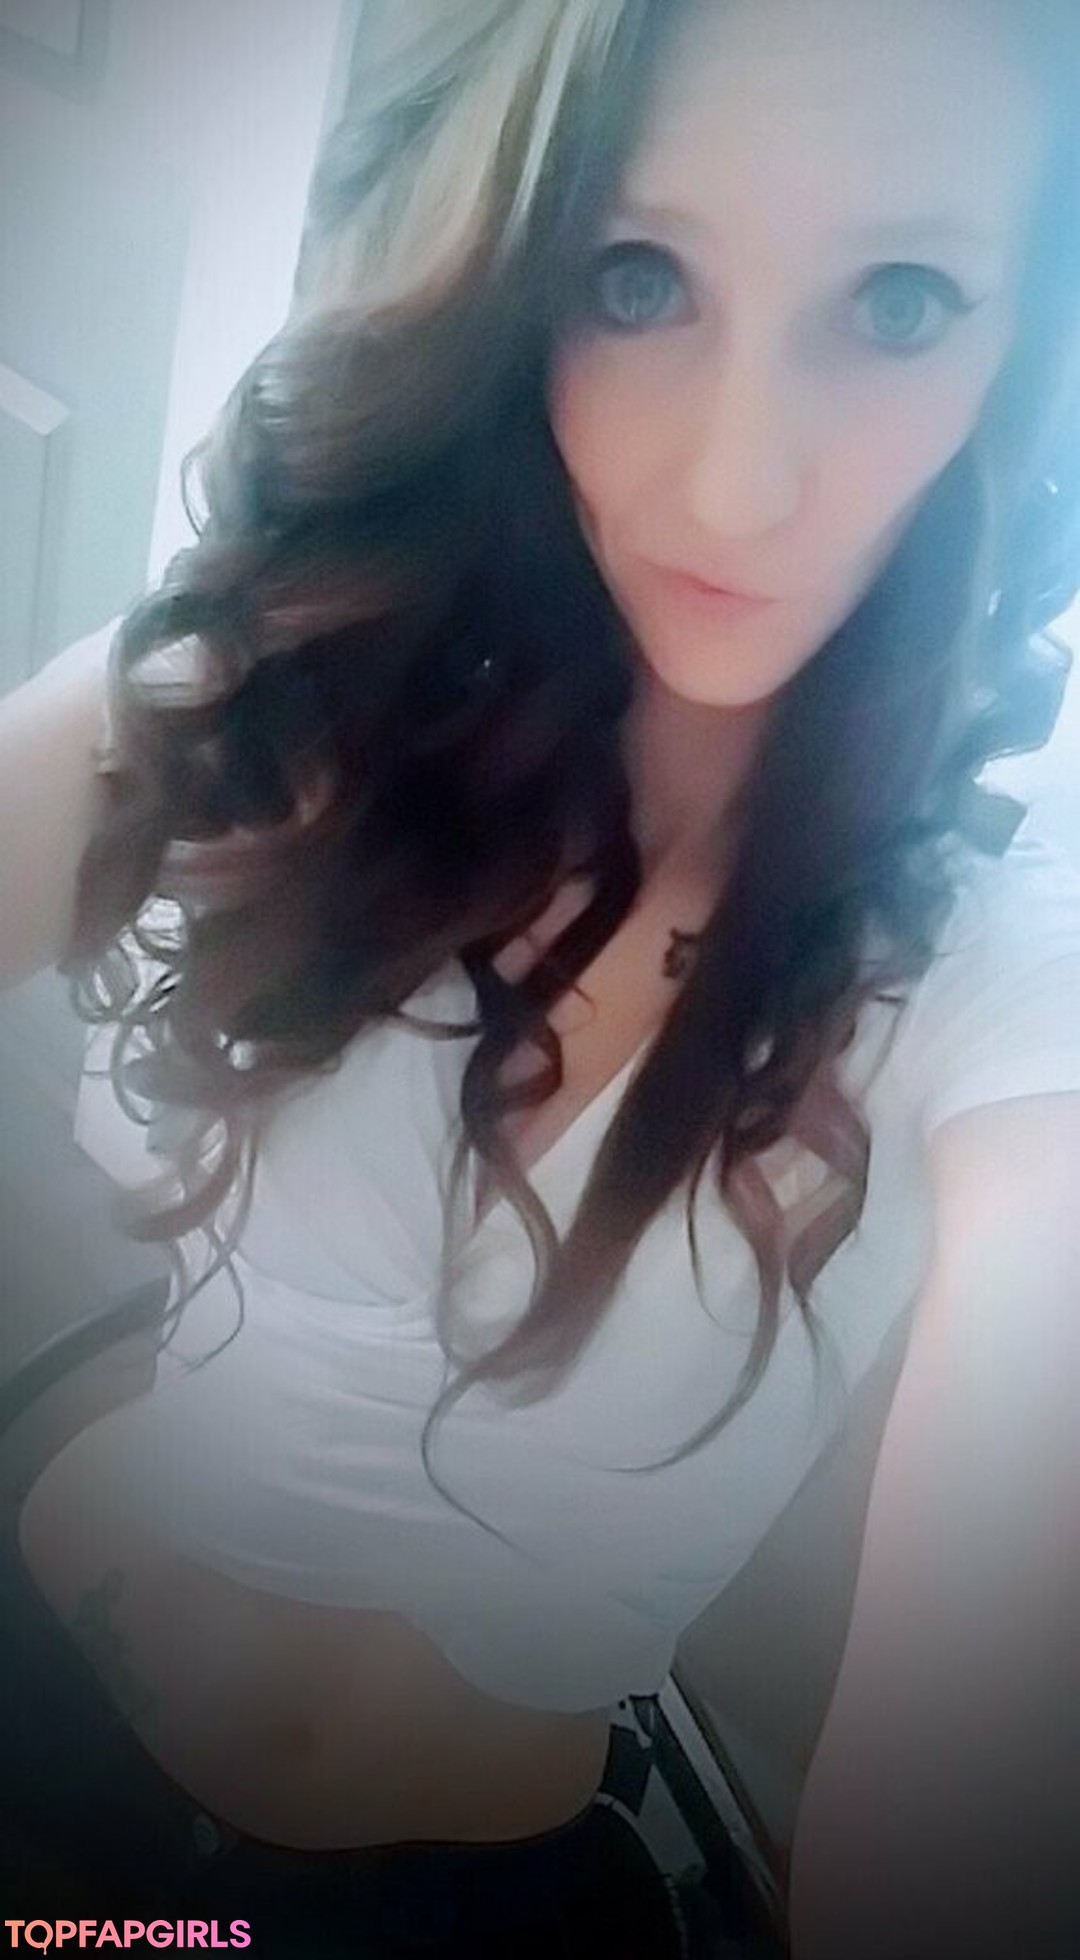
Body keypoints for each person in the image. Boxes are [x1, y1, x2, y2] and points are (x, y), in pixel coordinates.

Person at [3, 0, 1080, 1952]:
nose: (739, 484)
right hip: (42, 1708)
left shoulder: (1010, 975)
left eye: (903, 300)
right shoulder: (278, 685)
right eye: (639, 277)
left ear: (1021, 348)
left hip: (459, 1900)